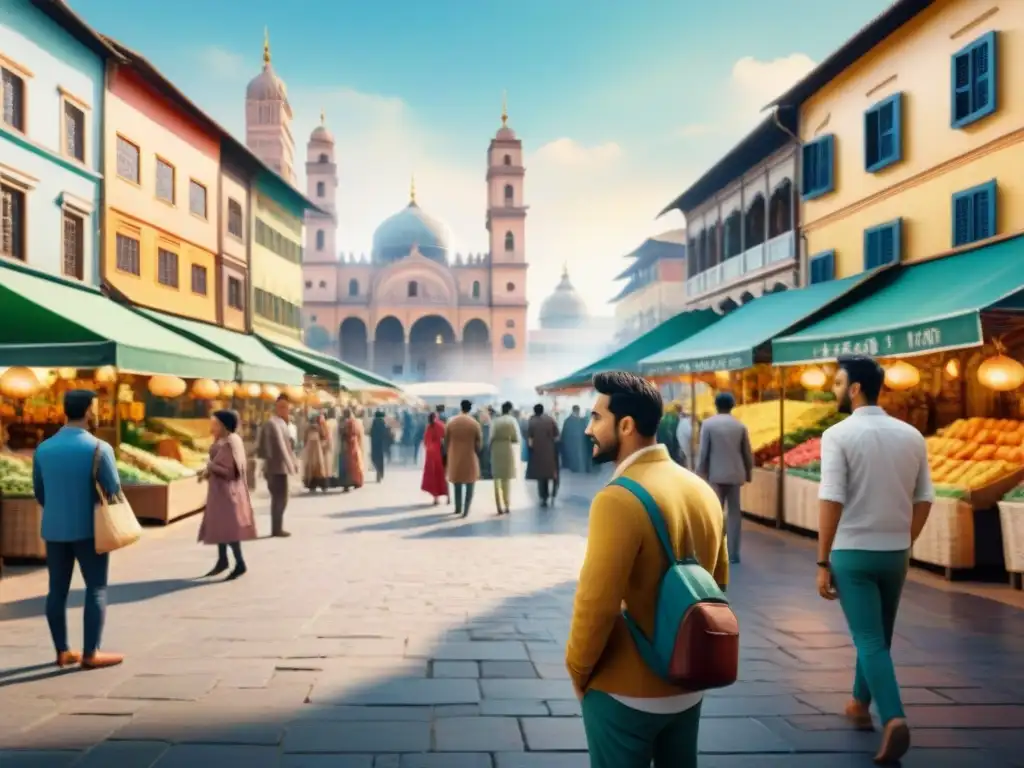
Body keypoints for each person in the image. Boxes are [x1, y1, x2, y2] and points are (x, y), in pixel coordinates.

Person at [566, 372, 728, 768]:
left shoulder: (617, 499)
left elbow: (596, 604)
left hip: (625, 690)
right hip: (688, 683)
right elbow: (718, 582)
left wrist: (578, 670)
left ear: (625, 425)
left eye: (596, 418)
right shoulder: (700, 489)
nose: (588, 429)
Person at [817, 355, 933, 765]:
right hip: (894, 553)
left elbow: (831, 498)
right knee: (877, 637)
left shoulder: (838, 434)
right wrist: (905, 540)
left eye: (837, 383)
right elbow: (925, 499)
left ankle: (895, 718)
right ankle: (858, 705)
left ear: (854, 389)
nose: (832, 389)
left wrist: (821, 559)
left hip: (851, 553)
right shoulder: (911, 435)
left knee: (868, 640)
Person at [32, 389, 124, 669]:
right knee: (95, 587)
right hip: (89, 529)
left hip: (54, 528)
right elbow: (114, 489)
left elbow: (40, 492)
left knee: (56, 591)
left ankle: (62, 651)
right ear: (88, 411)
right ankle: (90, 653)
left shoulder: (43, 448)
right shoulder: (99, 448)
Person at [197, 409, 256, 580]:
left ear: (224, 425)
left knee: (228, 530)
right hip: (220, 493)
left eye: (215, 424)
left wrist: (210, 467)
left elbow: (230, 471)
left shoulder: (231, 442)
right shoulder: (224, 440)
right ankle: (222, 560)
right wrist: (207, 471)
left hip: (228, 494)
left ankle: (240, 563)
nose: (212, 427)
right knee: (220, 527)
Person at [696, 391, 752, 564]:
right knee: (735, 513)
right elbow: (747, 453)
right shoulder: (740, 426)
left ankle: (716, 550)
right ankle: (734, 552)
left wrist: (699, 474)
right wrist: (748, 472)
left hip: (715, 474)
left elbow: (703, 452)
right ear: (732, 405)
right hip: (735, 474)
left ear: (716, 405)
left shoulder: (708, 424)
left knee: (715, 512)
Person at [257, 394, 298, 537]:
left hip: (282, 467)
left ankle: (278, 526)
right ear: (276, 407)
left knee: (282, 498)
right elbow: (265, 446)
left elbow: (288, 446)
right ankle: (276, 528)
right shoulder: (271, 423)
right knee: (279, 497)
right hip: (274, 467)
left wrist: (292, 462)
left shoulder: (284, 423)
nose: (284, 410)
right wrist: (267, 465)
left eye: (286, 407)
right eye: (281, 407)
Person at [445, 399, 483, 517]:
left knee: (457, 484)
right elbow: (479, 444)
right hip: (470, 458)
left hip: (455, 457)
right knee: (470, 484)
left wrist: (449, 453)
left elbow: (446, 441)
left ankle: (457, 508)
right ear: (470, 409)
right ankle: (466, 510)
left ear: (460, 407)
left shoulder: (451, 422)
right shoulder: (474, 423)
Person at [489, 401, 520, 515]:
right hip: (507, 448)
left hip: (496, 449)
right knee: (506, 479)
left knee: (496, 478)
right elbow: (516, 438)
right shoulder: (512, 421)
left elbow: (490, 437)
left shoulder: (495, 421)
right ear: (510, 410)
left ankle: (499, 506)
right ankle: (507, 505)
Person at [526, 403, 560, 506]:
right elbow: (557, 435)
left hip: (538, 453)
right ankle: (553, 494)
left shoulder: (532, 421)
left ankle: (543, 497)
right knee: (552, 474)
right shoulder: (550, 420)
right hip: (550, 452)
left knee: (541, 477)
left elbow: (530, 440)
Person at [421, 412, 449, 505]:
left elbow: (426, 442)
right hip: (441, 454)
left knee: (433, 477)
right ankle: (448, 496)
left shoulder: (429, 427)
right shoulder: (441, 425)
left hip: (431, 455)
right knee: (443, 475)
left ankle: (436, 498)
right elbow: (446, 437)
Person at [337, 408, 366, 491]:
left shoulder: (348, 422)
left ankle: (347, 484)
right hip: (353, 444)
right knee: (354, 464)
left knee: (347, 465)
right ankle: (356, 482)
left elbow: (344, 432)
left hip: (347, 444)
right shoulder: (355, 422)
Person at [301, 413, 331, 492]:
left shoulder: (308, 428)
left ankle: (312, 485)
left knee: (311, 468)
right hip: (317, 451)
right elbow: (324, 435)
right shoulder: (319, 427)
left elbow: (304, 439)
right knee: (319, 467)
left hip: (311, 451)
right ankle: (322, 485)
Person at [560, 405, 589, 474]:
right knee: (577, 457)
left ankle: (577, 468)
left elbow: (564, 434)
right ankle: (577, 468)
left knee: (576, 457)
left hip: (574, 444)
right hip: (577, 444)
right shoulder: (581, 420)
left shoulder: (568, 421)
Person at [369, 410, 390, 483]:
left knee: (374, 459)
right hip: (381, 445)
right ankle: (380, 474)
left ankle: (378, 473)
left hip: (374, 444)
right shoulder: (382, 422)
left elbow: (371, 433)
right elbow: (385, 434)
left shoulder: (374, 422)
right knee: (380, 460)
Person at [478, 408, 493, 481]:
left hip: (487, 450)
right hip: (484, 450)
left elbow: (487, 440)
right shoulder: (481, 426)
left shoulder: (488, 426)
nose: (481, 417)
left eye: (482, 416)